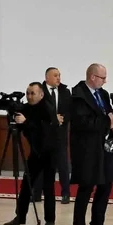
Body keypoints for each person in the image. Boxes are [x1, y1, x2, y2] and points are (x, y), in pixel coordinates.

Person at [68, 64, 113, 225]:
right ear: (92, 77)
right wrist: (107, 121)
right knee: (87, 186)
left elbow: (107, 113)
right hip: (87, 149)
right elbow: (83, 123)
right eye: (102, 78)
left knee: (106, 185)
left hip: (104, 146)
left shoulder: (103, 94)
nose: (105, 81)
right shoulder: (78, 96)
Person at [4, 80, 59, 225]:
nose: (29, 96)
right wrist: (12, 115)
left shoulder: (48, 108)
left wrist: (26, 121)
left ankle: (50, 219)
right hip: (35, 152)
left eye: (32, 93)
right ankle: (20, 217)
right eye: (27, 93)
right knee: (26, 185)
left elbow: (43, 131)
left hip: (50, 152)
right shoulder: (26, 108)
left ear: (41, 94)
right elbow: (19, 126)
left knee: (48, 186)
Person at [44, 66, 71, 202]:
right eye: (55, 75)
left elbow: (70, 110)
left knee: (63, 165)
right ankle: (36, 193)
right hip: (44, 134)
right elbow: (37, 110)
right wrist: (53, 118)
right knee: (42, 164)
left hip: (60, 134)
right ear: (47, 78)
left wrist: (62, 119)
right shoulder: (39, 91)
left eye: (59, 75)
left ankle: (65, 193)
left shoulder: (65, 92)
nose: (58, 78)